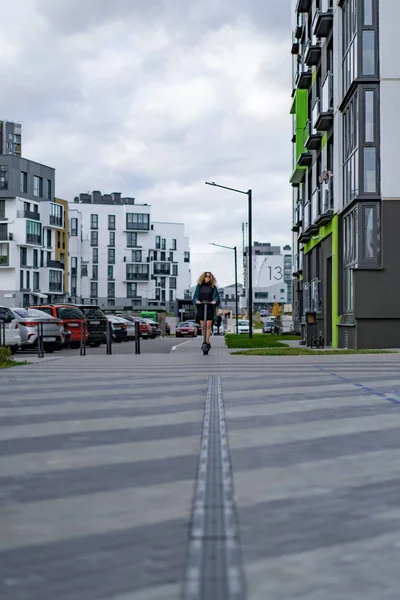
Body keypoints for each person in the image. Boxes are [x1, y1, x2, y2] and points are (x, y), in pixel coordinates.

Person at [192, 271, 220, 349]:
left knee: (208, 325)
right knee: (203, 326)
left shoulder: (213, 287)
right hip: (201, 307)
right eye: (206, 276)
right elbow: (195, 296)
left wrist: (215, 301)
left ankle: (206, 342)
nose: (208, 278)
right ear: (203, 277)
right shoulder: (199, 286)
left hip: (210, 307)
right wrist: (197, 301)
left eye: (209, 276)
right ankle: (204, 340)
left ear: (211, 278)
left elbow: (217, 297)